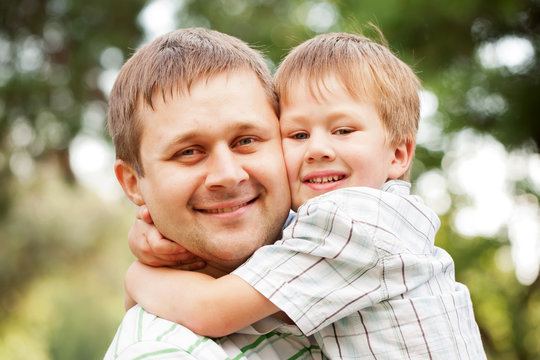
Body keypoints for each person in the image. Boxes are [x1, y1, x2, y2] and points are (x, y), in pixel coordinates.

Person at [125, 32, 487, 359]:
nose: (318, 149)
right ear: (131, 183)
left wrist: (137, 277)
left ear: (397, 154)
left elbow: (208, 310)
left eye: (343, 130)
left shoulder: (356, 220)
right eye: (297, 135)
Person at [103, 27, 323, 359]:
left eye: (246, 140)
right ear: (134, 183)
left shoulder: (344, 232)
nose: (228, 176)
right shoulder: (163, 350)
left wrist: (139, 277)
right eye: (189, 152)